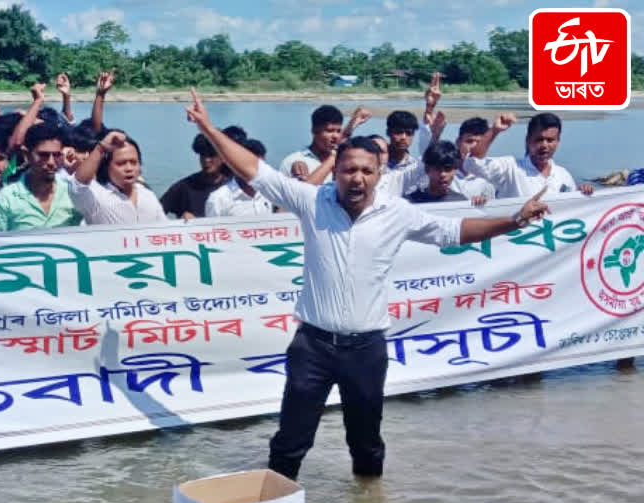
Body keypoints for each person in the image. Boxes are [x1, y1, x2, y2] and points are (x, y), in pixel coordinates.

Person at [185, 88, 552, 481]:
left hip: (366, 350)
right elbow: (255, 171)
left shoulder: (397, 213)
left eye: (366, 171)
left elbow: (455, 230)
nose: (356, 178)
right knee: (290, 442)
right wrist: (208, 127)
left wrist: (513, 220)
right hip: (313, 347)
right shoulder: (312, 201)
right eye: (348, 170)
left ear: (379, 174)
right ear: (336, 171)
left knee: (366, 444)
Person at [464, 112, 595, 199]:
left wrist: (582, 193)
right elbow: (472, 164)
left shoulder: (563, 175)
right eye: (539, 139)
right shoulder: (510, 168)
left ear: (558, 141)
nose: (544, 145)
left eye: (550, 140)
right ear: (528, 140)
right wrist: (494, 130)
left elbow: (573, 210)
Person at [0, 124, 84, 232]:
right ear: (26, 155)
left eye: (57, 155)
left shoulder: (72, 193)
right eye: (44, 155)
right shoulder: (8, 198)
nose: (51, 162)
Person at [70, 130, 165, 225]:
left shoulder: (148, 195)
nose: (129, 168)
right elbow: (77, 185)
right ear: (107, 167)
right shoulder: (96, 197)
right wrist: (101, 148)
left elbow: (166, 229)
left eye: (133, 162)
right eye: (121, 164)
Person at [159, 132, 230, 220]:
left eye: (211, 155)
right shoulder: (183, 187)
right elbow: (155, 213)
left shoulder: (233, 187)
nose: (206, 160)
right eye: (202, 155)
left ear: (223, 156)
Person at [206, 134, 274, 217]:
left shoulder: (269, 193)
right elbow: (211, 229)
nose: (257, 170)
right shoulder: (218, 199)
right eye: (252, 165)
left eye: (261, 165)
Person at [405, 141, 492, 205]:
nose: (443, 174)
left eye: (448, 169)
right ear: (427, 169)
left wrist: (479, 204)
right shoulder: (410, 201)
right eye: (437, 169)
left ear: (455, 170)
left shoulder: (461, 202)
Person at [279, 105, 344, 180]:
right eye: (329, 131)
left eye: (338, 131)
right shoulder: (292, 162)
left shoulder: (342, 161)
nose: (335, 136)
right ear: (314, 131)